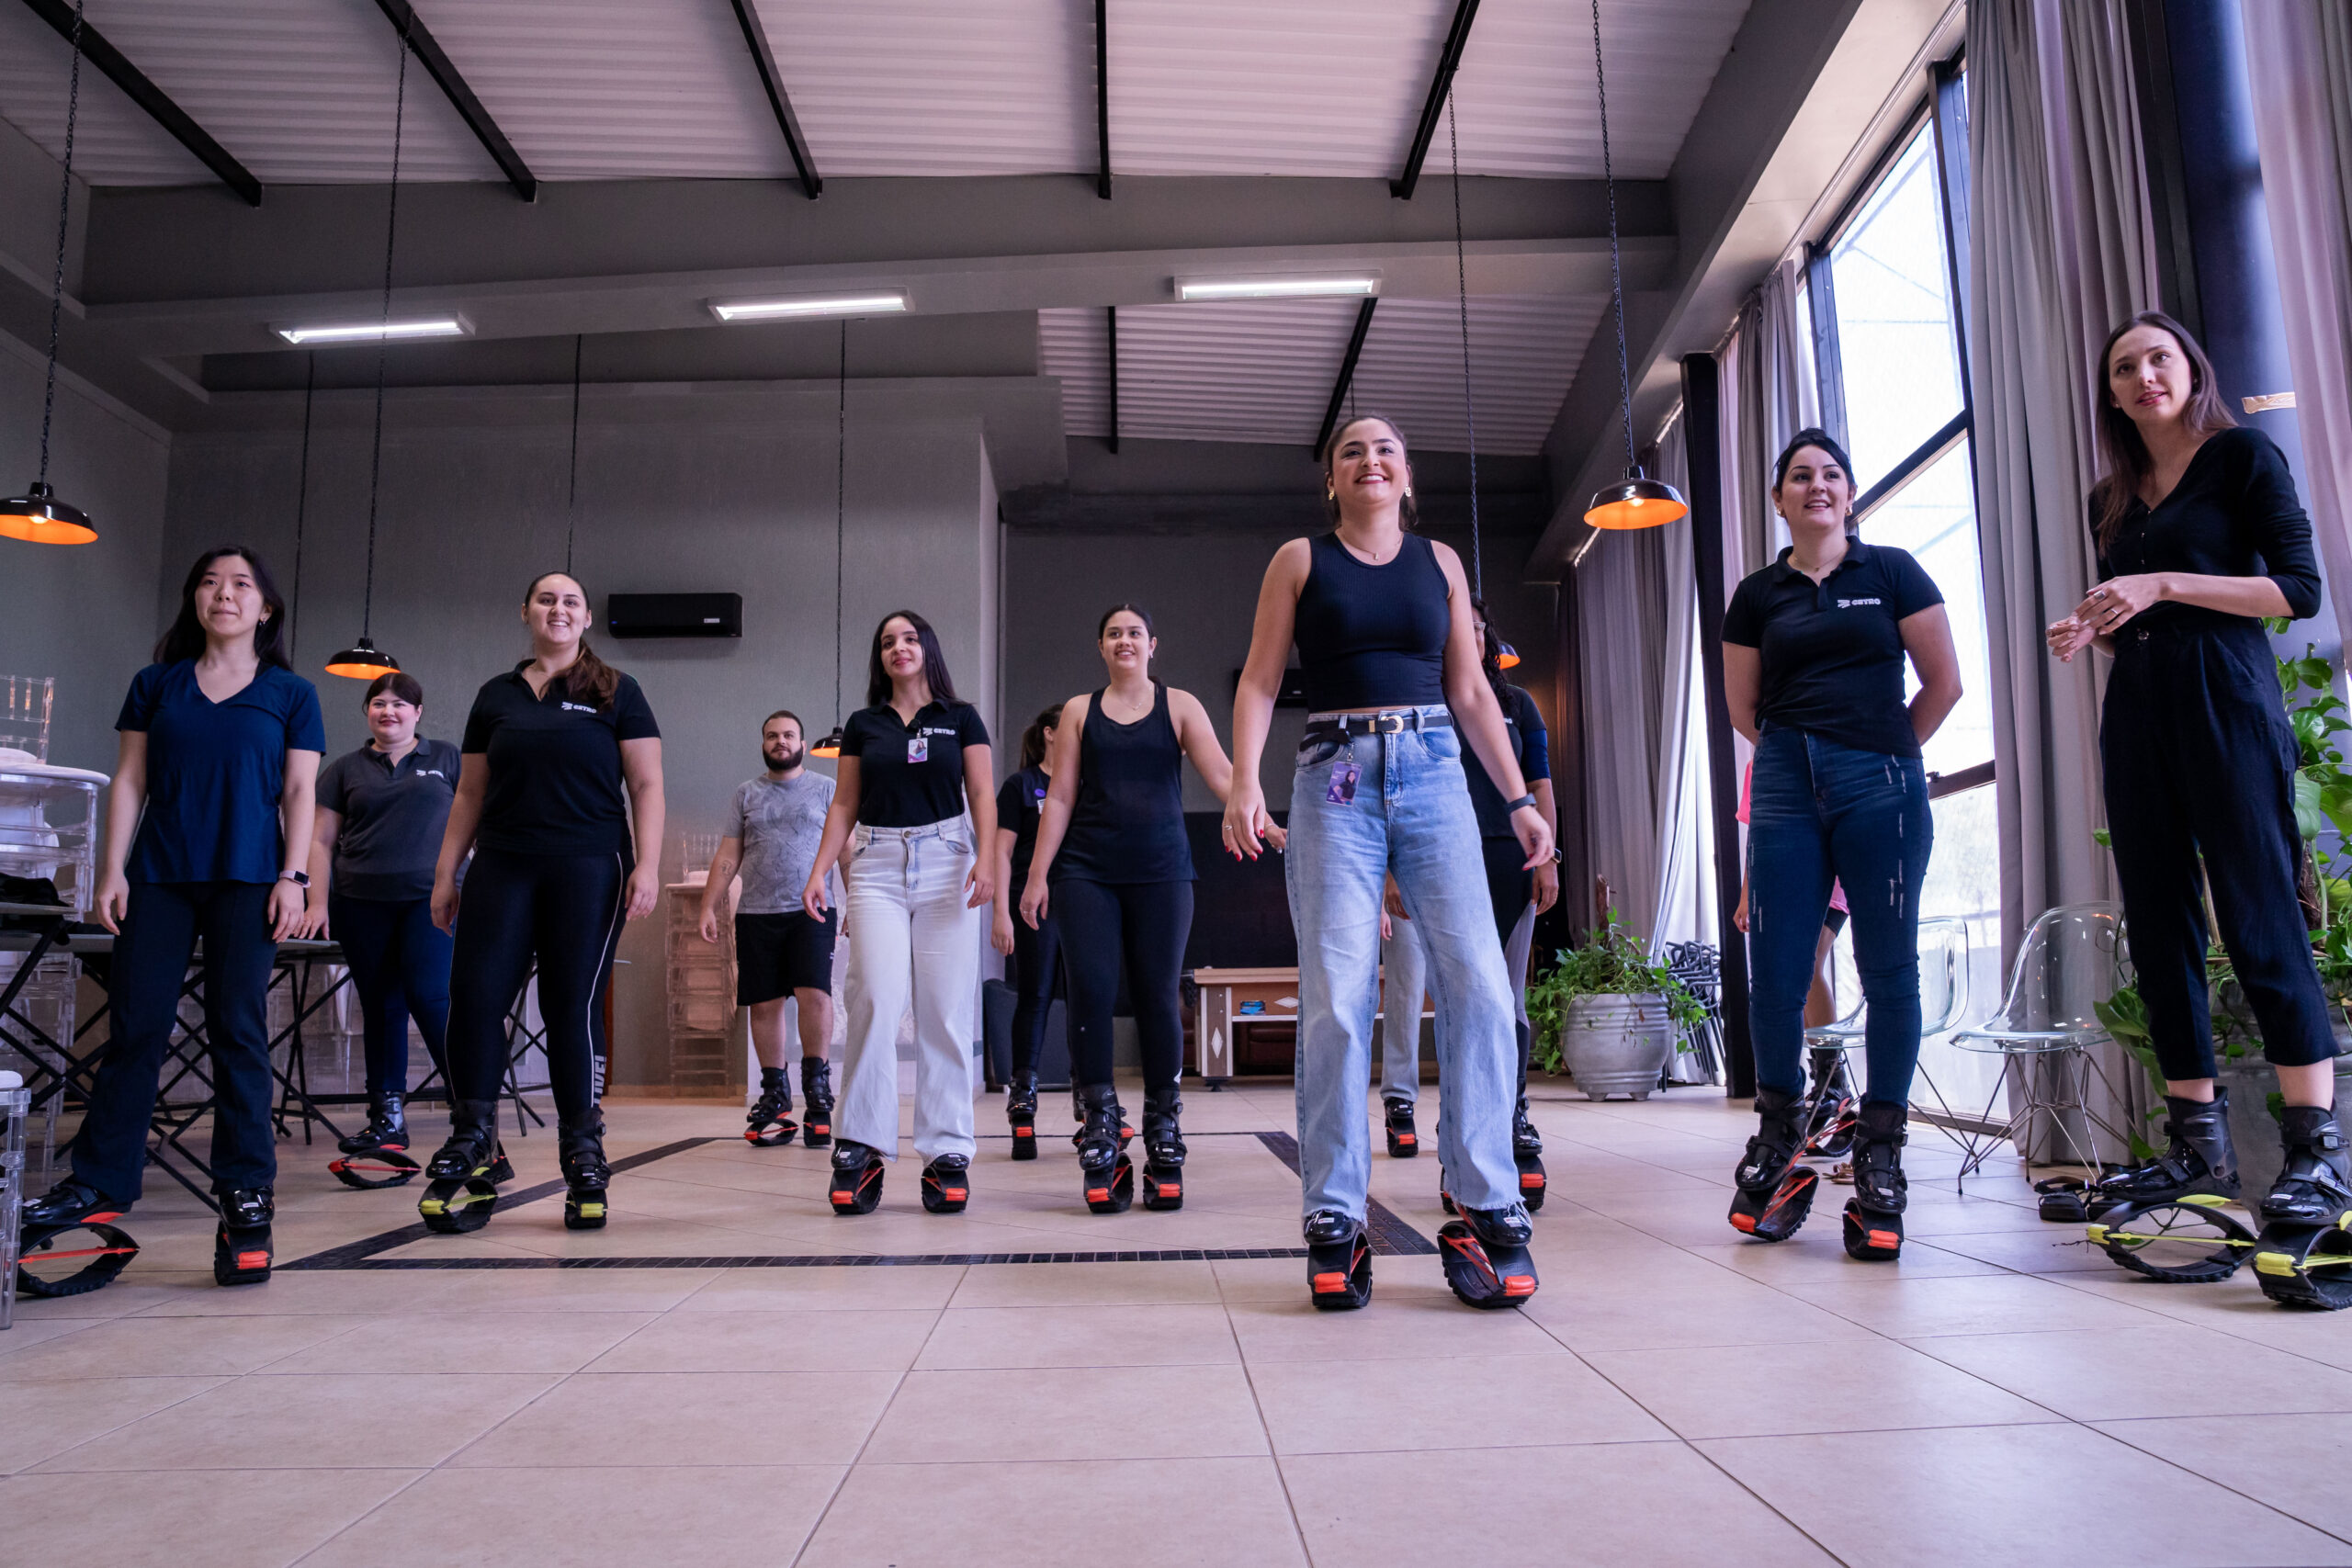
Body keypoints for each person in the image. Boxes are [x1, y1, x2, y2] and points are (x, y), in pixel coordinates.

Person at [1226, 413, 1555, 1311]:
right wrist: (1242, 783)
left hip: (1435, 773)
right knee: (1337, 996)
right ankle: (1334, 1212)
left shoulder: (1439, 564)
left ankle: (1485, 1197)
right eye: (1350, 451)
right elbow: (1259, 679)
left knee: (1483, 988)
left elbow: (1470, 690)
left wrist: (1520, 801)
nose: (1369, 460)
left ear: (1406, 477)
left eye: (1386, 450)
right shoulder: (1300, 560)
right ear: (1332, 480)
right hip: (1333, 778)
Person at [2047, 310, 2346, 1226]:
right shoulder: (2113, 495)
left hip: (2229, 701)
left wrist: (2163, 583)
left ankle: (2313, 1155)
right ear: (2111, 394)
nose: (2143, 376)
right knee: (2158, 925)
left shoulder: (2241, 459)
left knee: (2259, 918)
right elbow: (2135, 613)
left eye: (2158, 359)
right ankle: (2195, 1144)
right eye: (2124, 368)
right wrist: (2093, 627)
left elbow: (2297, 591)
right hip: (2137, 710)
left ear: (2190, 369)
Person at [25, 547, 323, 1288]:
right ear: (194, 599)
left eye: (242, 584)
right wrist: (110, 869)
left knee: (239, 1031)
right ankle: (99, 1181)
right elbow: (130, 779)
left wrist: (294, 876)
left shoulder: (291, 692)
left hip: (250, 879)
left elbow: (299, 792)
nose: (224, 593)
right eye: (210, 582)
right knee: (136, 1027)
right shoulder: (156, 685)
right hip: (158, 875)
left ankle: (246, 1193)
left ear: (267, 608)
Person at [1721, 427, 1962, 1259]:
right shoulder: (1758, 594)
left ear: (1849, 493)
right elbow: (1743, 710)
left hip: (1882, 784)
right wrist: (1806, 752)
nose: (1816, 485)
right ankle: (1781, 1134)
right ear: (1780, 498)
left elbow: (1944, 682)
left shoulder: (1892, 571)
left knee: (1889, 969)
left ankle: (1882, 1156)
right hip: (1787, 780)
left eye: (1830, 474)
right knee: (1777, 973)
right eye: (1799, 476)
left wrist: (1888, 753)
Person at [421, 571, 664, 1234]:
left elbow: (645, 784)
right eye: (546, 598)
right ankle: (473, 1137)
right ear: (526, 610)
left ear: (586, 619)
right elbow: (469, 793)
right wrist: (447, 874)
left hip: (590, 865)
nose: (558, 609)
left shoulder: (617, 691)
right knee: (473, 997)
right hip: (501, 864)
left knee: (570, 1005)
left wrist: (649, 864)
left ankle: (582, 1148)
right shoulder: (494, 695)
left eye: (571, 601)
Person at [1021, 604, 1238, 1213]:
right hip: (1085, 871)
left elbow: (1222, 771)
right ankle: (1099, 1123)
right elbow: (1060, 795)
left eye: (1134, 632)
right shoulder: (1078, 712)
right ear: (1101, 646)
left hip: (1164, 873)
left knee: (1156, 994)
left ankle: (1163, 1127)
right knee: (1089, 990)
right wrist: (1038, 874)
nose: (1125, 639)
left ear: (1152, 645)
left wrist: (1255, 811)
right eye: (1114, 632)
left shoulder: (1180, 705)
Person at [801, 611, 997, 1216]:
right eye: (887, 640)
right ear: (879, 656)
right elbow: (844, 802)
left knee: (943, 1009)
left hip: (947, 860)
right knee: (874, 1000)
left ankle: (945, 1152)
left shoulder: (960, 717)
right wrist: (818, 871)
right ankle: (860, 1144)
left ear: (927, 648)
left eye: (909, 638)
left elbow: (984, 794)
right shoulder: (864, 724)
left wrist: (988, 857)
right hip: (877, 864)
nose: (898, 647)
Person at [1376, 602, 1560, 1187]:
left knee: (1501, 997)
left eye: (1477, 626)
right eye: (1457, 626)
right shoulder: (1416, 704)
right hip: (1425, 858)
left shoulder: (1518, 705)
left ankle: (1508, 1112)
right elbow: (1389, 790)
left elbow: (1538, 786)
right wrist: (1387, 874)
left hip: (1507, 856)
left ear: (1486, 636)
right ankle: (1402, 1100)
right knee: (1411, 987)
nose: (1468, 635)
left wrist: (1549, 857)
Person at [299, 671, 459, 1158]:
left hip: (429, 901)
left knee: (431, 998)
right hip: (359, 903)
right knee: (383, 1006)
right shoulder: (344, 770)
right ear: (367, 711)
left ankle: (473, 1112)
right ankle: (386, 1118)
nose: (388, 711)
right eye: (378, 703)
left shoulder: (448, 758)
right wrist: (317, 902)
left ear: (418, 712)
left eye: (399, 704)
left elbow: (478, 821)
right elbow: (320, 842)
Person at [700, 710, 838, 1149]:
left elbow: (848, 852)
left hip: (812, 910)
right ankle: (775, 1096)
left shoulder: (826, 789)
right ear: (763, 743)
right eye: (772, 736)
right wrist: (709, 904)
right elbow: (728, 856)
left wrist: (854, 904)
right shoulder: (747, 794)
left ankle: (816, 1092)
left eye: (789, 735)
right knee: (764, 1004)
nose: (781, 741)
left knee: (815, 994)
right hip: (757, 914)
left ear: (802, 742)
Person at [1733, 760, 1854, 1154]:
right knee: (1790, 976)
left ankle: (1832, 1082)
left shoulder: (1826, 746)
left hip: (1834, 870)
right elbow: (1757, 833)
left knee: (1807, 967)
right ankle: (1823, 1085)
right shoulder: (1759, 764)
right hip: (1784, 877)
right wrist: (1747, 894)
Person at [990, 703, 1061, 1157]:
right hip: (1030, 902)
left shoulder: (1084, 783)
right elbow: (1000, 852)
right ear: (1052, 733)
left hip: (1079, 898)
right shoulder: (1021, 785)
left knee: (1086, 996)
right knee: (1034, 995)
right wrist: (1000, 911)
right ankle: (1023, 1100)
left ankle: (1090, 1103)